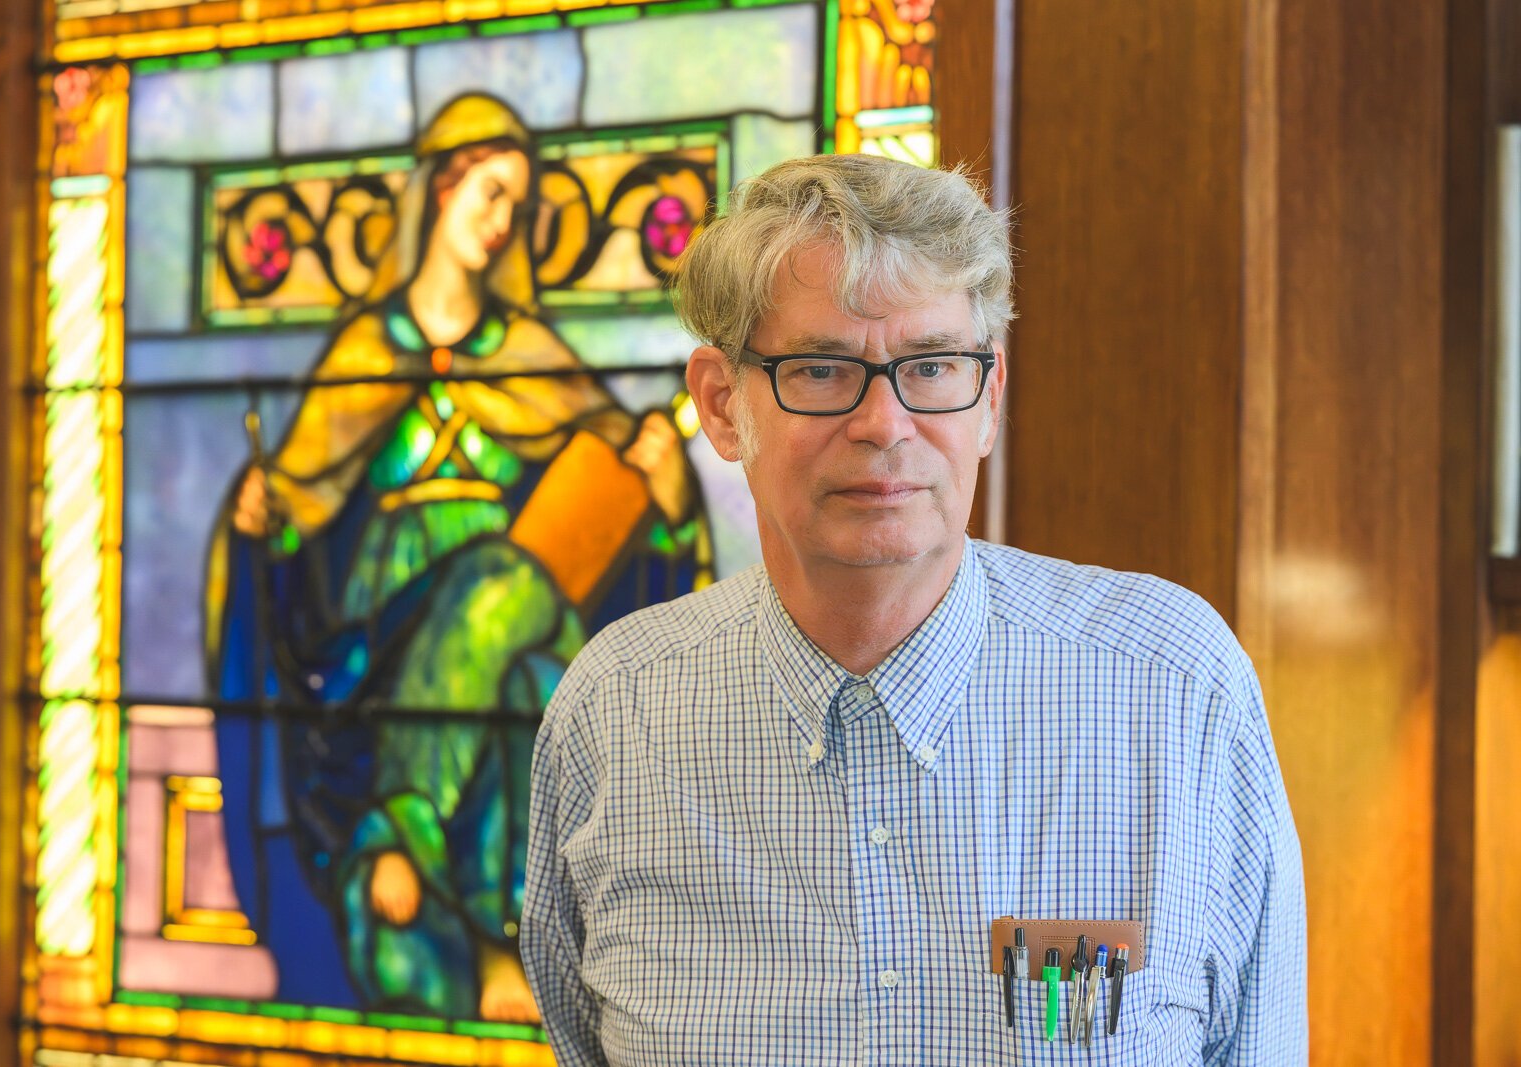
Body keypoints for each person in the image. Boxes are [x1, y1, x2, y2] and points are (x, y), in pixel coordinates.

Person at [521, 154, 1307, 1064]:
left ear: (988, 400)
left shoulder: (1174, 690)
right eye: (821, 370)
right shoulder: (614, 711)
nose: (886, 424)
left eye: (931, 366)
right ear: (722, 403)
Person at [204, 93, 704, 1023]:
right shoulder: (364, 349)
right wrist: (259, 516)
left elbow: (629, 510)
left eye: (518, 202)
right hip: (383, 643)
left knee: (498, 585)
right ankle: (491, 956)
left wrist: (665, 492)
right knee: (527, 687)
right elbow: (296, 515)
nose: (502, 219)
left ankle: (404, 831)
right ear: (438, 190)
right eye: (489, 192)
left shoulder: (527, 351)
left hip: (521, 596)